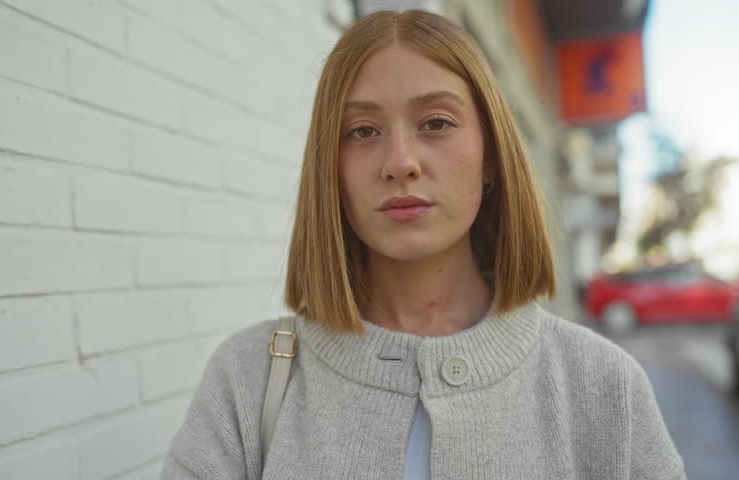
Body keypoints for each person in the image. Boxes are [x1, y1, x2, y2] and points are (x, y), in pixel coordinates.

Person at [161, 10, 685, 480]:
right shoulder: (248, 380)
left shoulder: (603, 385)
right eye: (362, 131)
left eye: (436, 123)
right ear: (330, 170)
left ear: (490, 156)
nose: (400, 162)